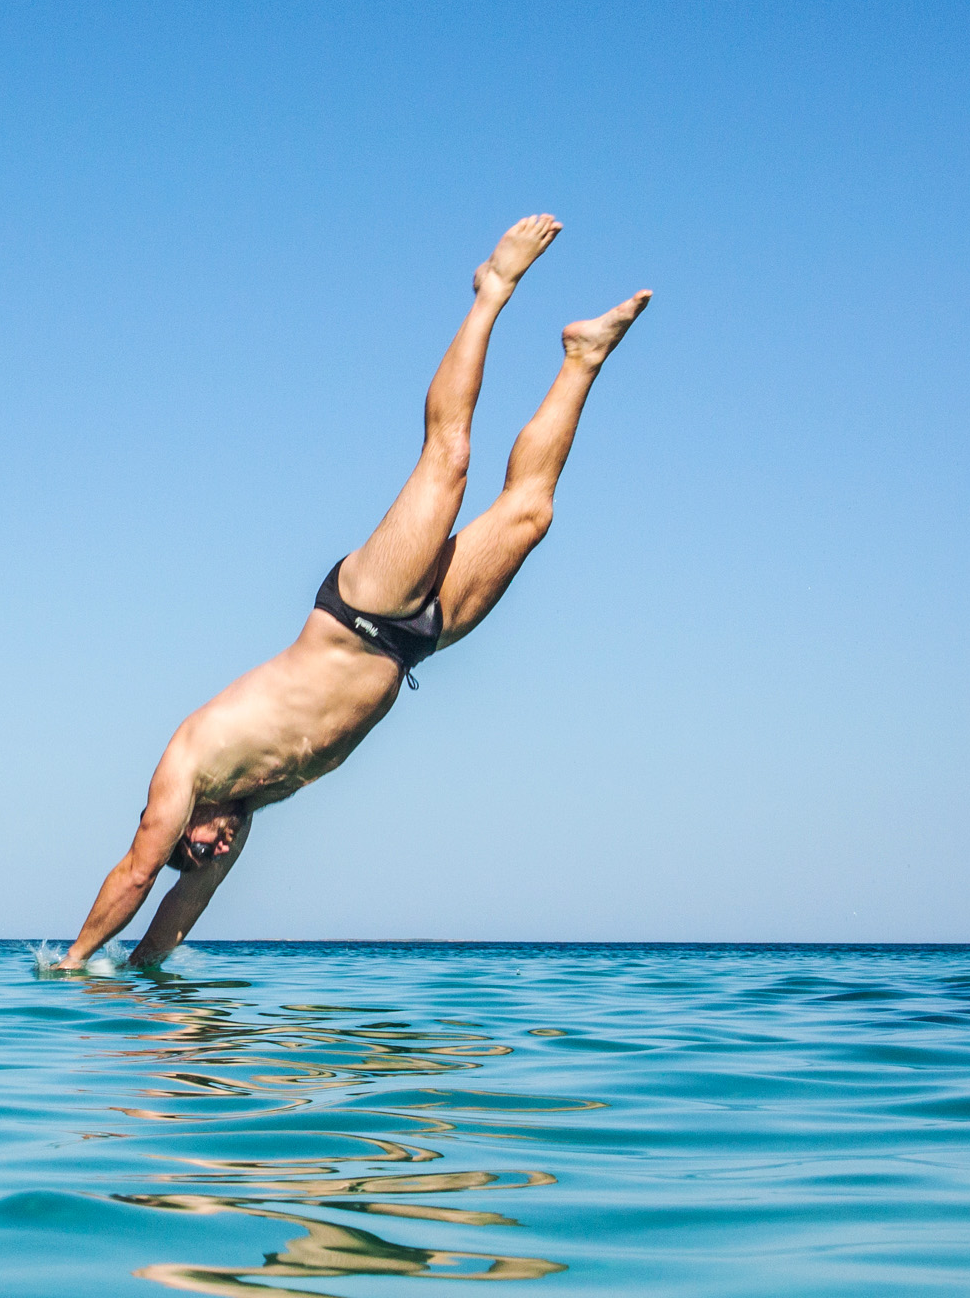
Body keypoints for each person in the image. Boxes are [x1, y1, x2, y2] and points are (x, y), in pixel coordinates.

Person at [56, 216, 649, 969]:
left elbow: (142, 874)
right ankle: (583, 356)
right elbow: (181, 907)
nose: (221, 845)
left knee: (449, 460)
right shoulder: (246, 805)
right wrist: (142, 974)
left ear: (178, 827)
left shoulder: (188, 767)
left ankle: (491, 291)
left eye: (201, 843)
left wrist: (75, 963)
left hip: (364, 609)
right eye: (215, 851)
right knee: (530, 514)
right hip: (416, 639)